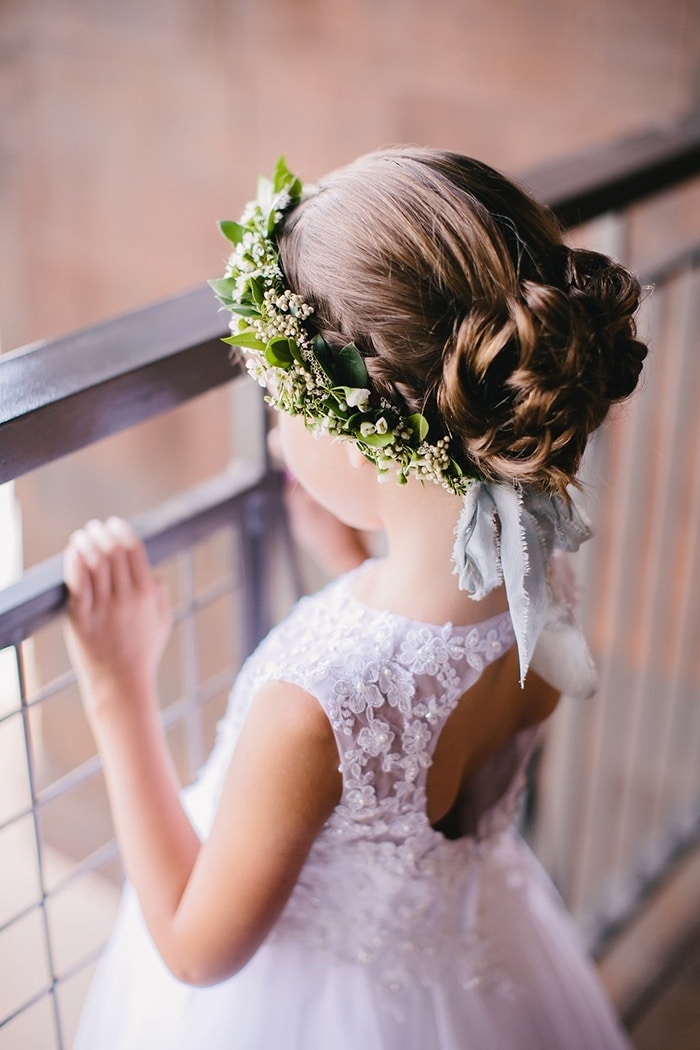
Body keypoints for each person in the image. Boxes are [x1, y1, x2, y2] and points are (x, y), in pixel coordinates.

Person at [64, 149, 646, 1049]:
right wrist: (352, 554)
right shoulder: (540, 572)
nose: (271, 430)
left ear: (368, 439)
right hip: (476, 968)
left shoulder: (317, 699)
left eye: (282, 405)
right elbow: (434, 752)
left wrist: (116, 688)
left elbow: (192, 946)